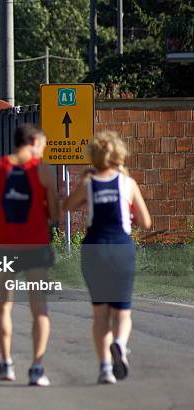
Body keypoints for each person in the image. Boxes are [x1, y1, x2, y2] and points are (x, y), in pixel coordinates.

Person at [0, 123, 59, 386]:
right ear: (32, 141)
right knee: (39, 307)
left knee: (4, 305)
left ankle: (7, 364)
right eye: (42, 146)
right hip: (35, 248)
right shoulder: (42, 171)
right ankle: (36, 368)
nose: (42, 152)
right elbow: (55, 214)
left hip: (5, 247)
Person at [64, 131, 151, 384]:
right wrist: (131, 213)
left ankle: (104, 369)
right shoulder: (128, 183)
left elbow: (67, 207)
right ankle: (120, 345)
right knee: (122, 313)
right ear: (119, 155)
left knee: (100, 313)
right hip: (121, 249)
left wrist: (86, 201)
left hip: (94, 249)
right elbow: (146, 222)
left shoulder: (88, 183)